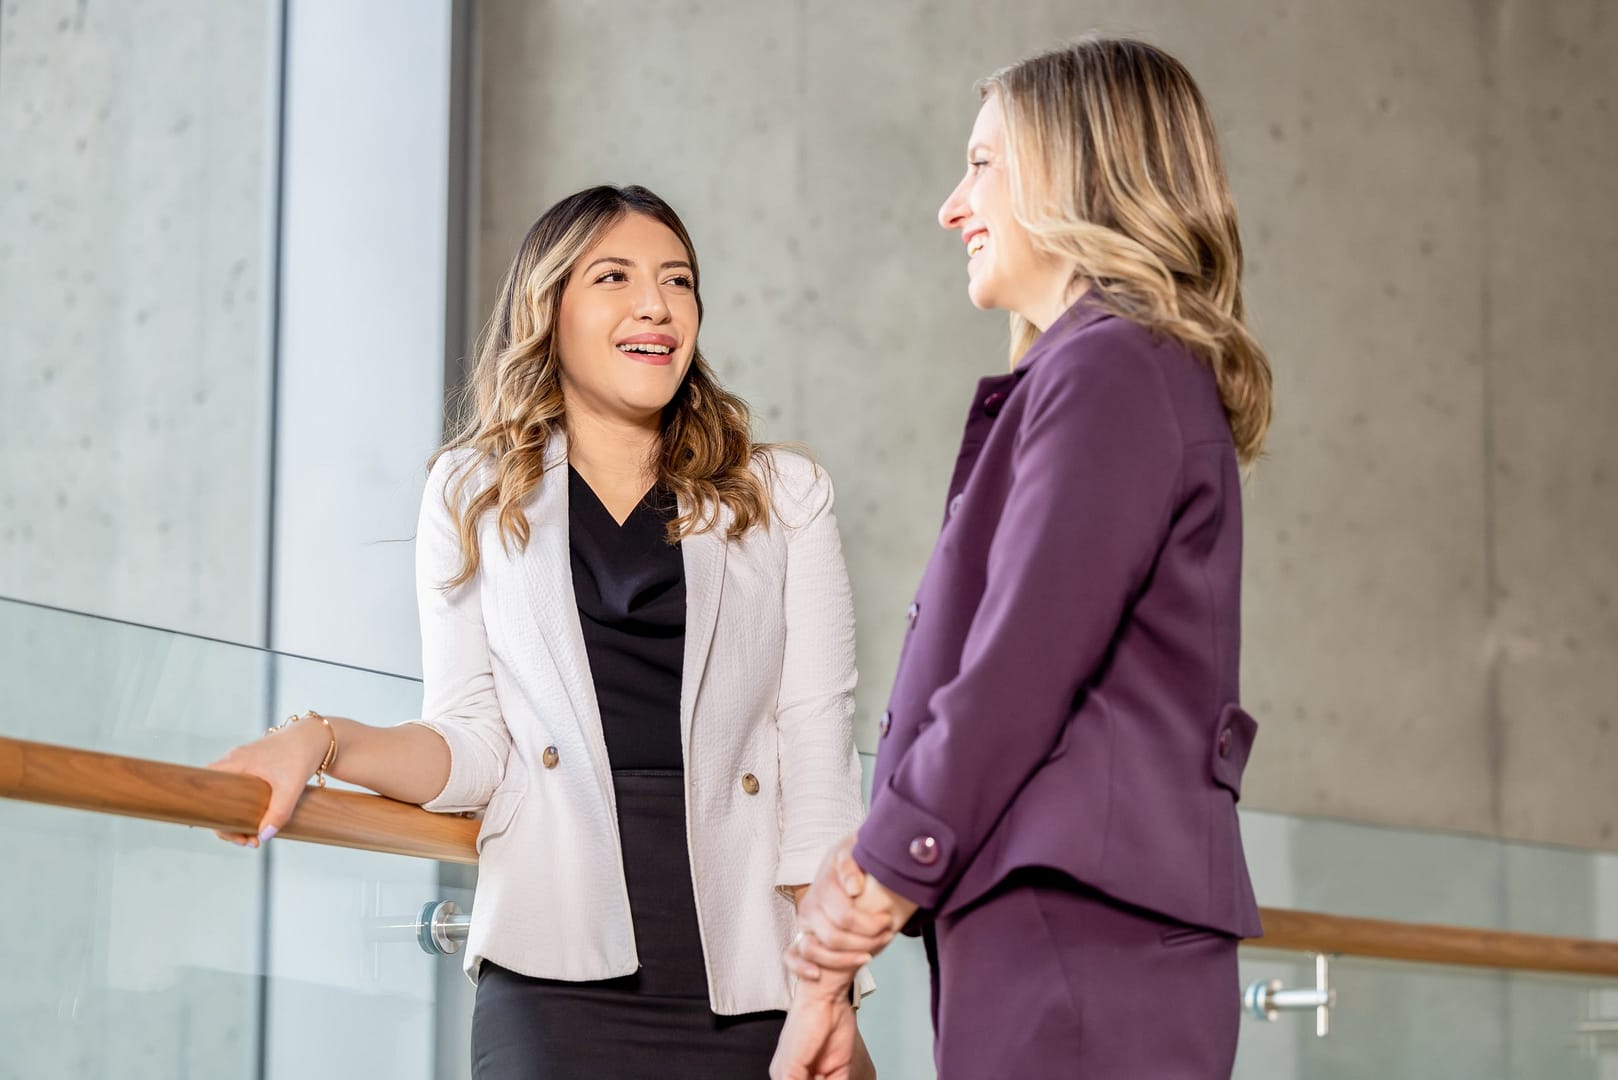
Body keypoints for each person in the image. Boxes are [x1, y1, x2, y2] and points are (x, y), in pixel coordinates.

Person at [211, 185, 876, 1079]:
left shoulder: (784, 495)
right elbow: (472, 742)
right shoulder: (474, 490)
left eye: (678, 280)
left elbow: (817, 749)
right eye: (615, 277)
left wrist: (831, 991)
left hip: (755, 968)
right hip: (552, 964)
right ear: (548, 309)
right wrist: (320, 740)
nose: (657, 305)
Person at [775, 36, 1274, 1080]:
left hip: (1078, 935)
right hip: (1071, 928)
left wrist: (881, 879)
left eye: (981, 164)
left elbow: (1020, 663)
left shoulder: (1114, 366)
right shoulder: (1115, 369)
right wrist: (872, 875)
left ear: (1075, 171)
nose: (951, 208)